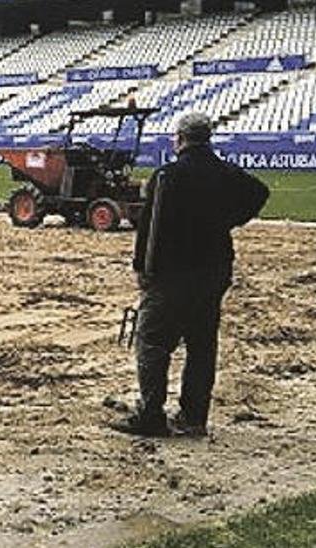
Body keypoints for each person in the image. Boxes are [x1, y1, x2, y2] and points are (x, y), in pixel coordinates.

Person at [111, 112, 269, 438]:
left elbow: (148, 232)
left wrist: (141, 269)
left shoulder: (167, 176)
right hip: (213, 270)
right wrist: (228, 219)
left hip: (172, 271)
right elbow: (258, 192)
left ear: (179, 139)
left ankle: (151, 415)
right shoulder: (223, 172)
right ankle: (194, 417)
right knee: (201, 344)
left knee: (152, 341)